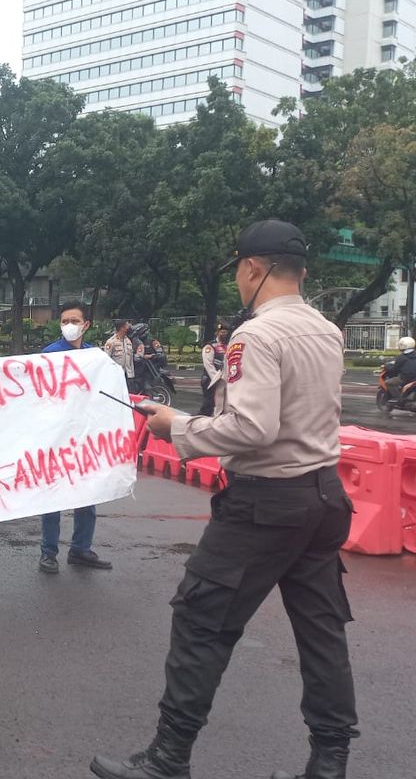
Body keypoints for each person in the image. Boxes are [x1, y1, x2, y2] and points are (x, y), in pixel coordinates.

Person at [91, 221, 357, 779]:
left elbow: (252, 429)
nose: (239, 280)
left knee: (201, 619)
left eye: (239, 269)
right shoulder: (326, 330)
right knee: (321, 630)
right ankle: (329, 763)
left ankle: (168, 758)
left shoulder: (256, 336)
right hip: (324, 495)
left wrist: (176, 426)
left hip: (266, 504)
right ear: (302, 271)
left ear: (253, 268)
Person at [39, 301, 113, 574]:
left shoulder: (95, 357)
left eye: (74, 320)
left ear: (86, 325)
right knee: (53, 498)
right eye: (65, 321)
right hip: (56, 438)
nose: (69, 325)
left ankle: (80, 549)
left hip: (85, 439)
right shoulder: (49, 355)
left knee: (86, 495)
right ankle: (48, 553)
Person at [199, 324, 230, 416]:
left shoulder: (228, 346)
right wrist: (217, 379)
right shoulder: (210, 346)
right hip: (211, 380)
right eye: (222, 332)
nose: (224, 334)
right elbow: (208, 365)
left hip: (224, 380)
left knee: (222, 405)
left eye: (226, 332)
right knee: (209, 405)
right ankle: (197, 423)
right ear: (217, 333)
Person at [104, 320, 136, 392]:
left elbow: (131, 360)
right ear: (122, 328)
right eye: (127, 325)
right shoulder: (111, 342)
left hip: (128, 374)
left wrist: (132, 374)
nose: (129, 327)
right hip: (116, 375)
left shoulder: (128, 341)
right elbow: (107, 359)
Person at [383, 336, 416, 400]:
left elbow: (395, 370)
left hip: (405, 378)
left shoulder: (401, 357)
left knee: (388, 382)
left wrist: (387, 367)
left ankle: (398, 398)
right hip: (414, 379)